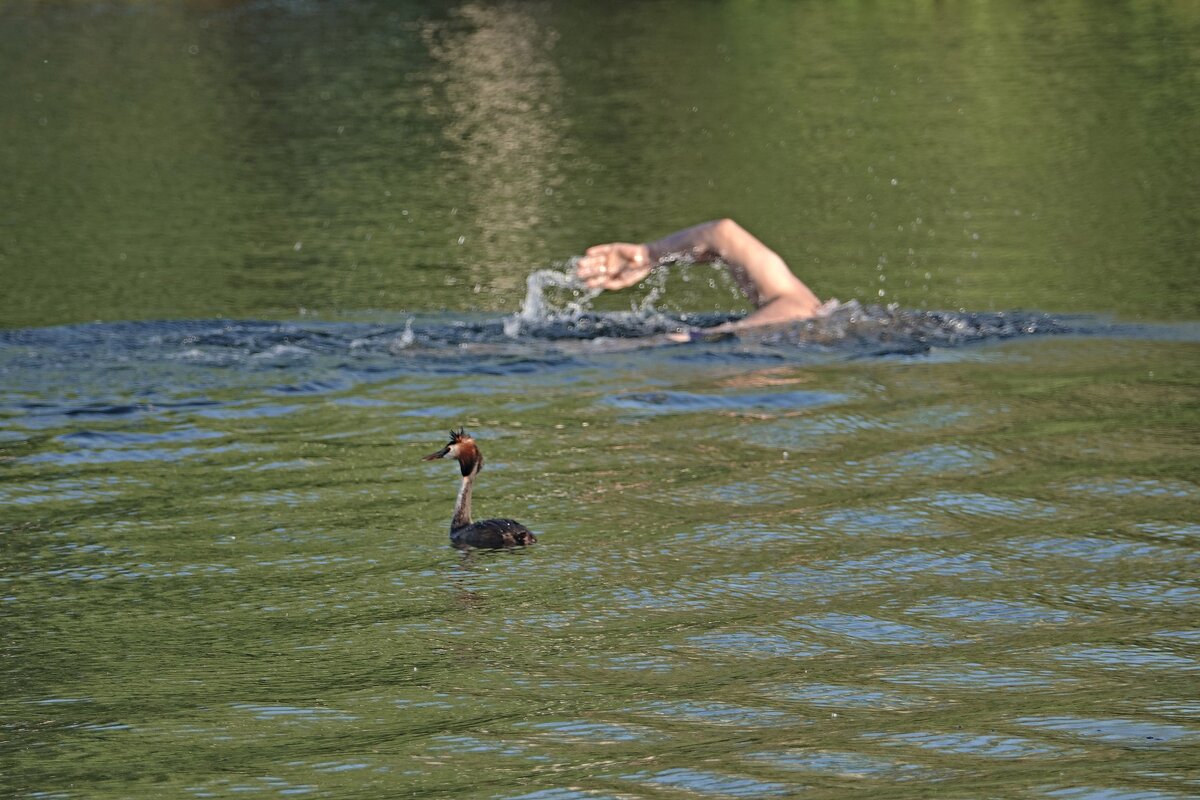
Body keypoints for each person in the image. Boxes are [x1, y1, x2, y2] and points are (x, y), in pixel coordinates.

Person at [575, 218, 825, 335]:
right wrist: (647, 255)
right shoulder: (823, 318)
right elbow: (723, 233)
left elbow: (722, 232)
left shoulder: (808, 307)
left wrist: (650, 253)